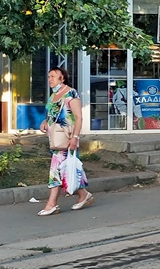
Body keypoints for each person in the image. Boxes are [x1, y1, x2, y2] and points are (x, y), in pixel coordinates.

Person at [38, 67, 92, 215]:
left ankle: (52, 204)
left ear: (62, 78)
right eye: (49, 76)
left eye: (53, 76)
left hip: (67, 138)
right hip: (55, 139)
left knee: (56, 169)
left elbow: (78, 118)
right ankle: (83, 194)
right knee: (68, 169)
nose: (50, 79)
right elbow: (51, 114)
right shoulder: (54, 95)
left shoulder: (71, 93)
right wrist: (45, 122)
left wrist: (75, 138)